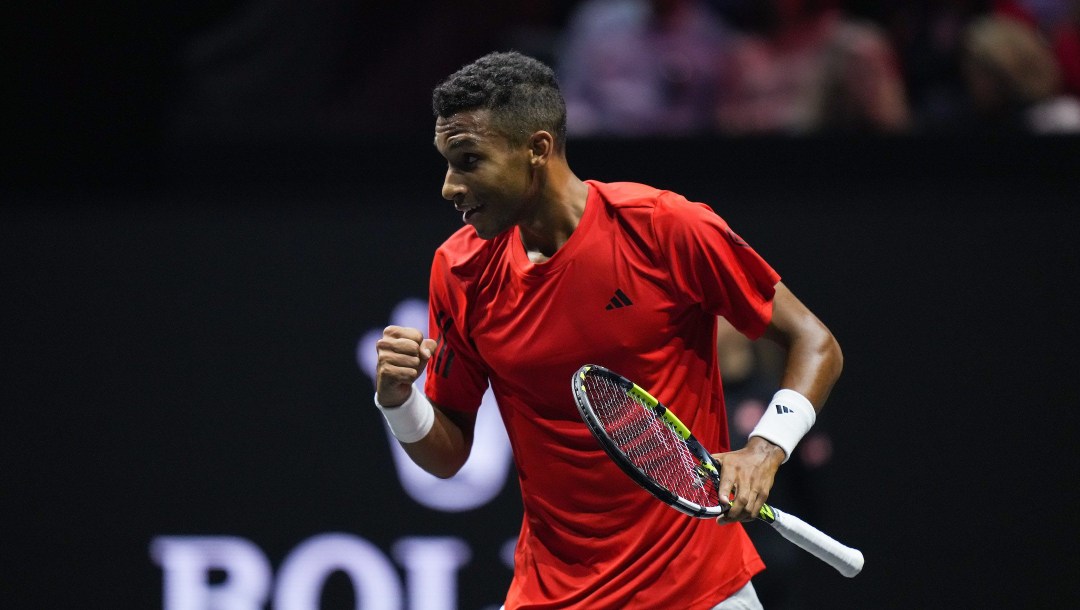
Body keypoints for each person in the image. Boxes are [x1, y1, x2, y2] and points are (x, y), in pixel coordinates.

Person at [374, 51, 844, 609]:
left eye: (469, 160)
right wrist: (397, 401)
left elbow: (815, 341)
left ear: (537, 149)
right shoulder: (459, 269)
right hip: (549, 593)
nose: (450, 186)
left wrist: (765, 450)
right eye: (447, 163)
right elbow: (448, 454)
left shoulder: (665, 228)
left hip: (696, 591)